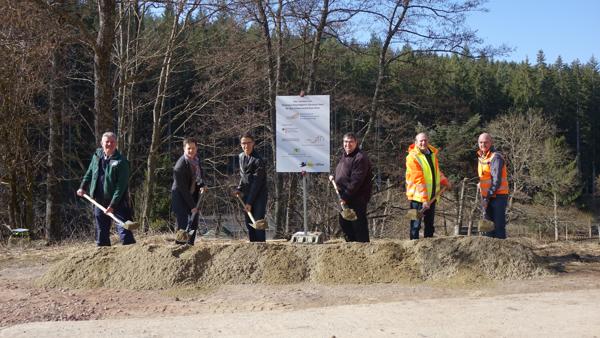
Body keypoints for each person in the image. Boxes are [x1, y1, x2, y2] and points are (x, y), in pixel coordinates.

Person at [77, 132, 135, 246]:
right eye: (107, 142)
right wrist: (83, 187)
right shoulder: (97, 155)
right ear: (101, 143)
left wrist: (112, 205)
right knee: (101, 230)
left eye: (112, 142)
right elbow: (90, 172)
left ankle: (131, 254)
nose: (109, 144)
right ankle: (103, 256)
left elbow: (121, 187)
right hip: (99, 200)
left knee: (124, 228)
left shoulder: (122, 162)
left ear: (116, 144)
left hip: (118, 201)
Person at [405, 132, 451, 240]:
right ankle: (413, 248)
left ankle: (429, 249)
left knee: (429, 225)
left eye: (425, 140)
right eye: (421, 141)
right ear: (416, 143)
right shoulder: (412, 157)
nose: (423, 143)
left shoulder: (432, 154)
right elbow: (418, 179)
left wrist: (445, 181)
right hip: (416, 198)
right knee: (415, 225)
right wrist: (424, 199)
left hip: (432, 196)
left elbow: (436, 172)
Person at [330, 132, 373, 242]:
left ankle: (362, 248)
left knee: (358, 225)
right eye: (345, 142)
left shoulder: (360, 158)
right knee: (345, 223)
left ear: (356, 143)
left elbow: (356, 181)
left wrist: (345, 196)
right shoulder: (345, 156)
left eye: (350, 142)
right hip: (345, 197)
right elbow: (343, 172)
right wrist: (334, 176)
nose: (347, 144)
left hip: (357, 198)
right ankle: (351, 247)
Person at [171, 137, 206, 245]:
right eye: (188, 148)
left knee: (193, 223)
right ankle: (179, 247)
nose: (191, 150)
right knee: (183, 225)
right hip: (181, 197)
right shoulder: (179, 166)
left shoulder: (196, 160)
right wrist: (192, 207)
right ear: (184, 149)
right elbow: (183, 190)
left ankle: (190, 246)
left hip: (193, 195)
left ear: (197, 148)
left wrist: (202, 185)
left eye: (193, 148)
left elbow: (197, 177)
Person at [235, 133, 267, 242]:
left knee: (258, 223)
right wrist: (239, 188)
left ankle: (262, 248)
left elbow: (256, 184)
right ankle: (253, 249)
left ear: (253, 143)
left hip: (258, 196)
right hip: (246, 195)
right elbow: (243, 175)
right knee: (249, 224)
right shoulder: (241, 157)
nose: (246, 146)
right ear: (240, 144)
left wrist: (249, 202)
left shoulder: (258, 160)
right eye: (243, 143)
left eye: (248, 143)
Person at [477, 132, 509, 239]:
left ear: (491, 143)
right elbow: (486, 176)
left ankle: (501, 253)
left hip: (498, 197)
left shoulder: (496, 157)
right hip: (488, 196)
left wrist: (487, 198)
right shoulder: (482, 157)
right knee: (488, 228)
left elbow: (496, 181)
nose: (483, 145)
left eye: (486, 142)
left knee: (498, 226)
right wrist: (480, 184)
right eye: (481, 142)